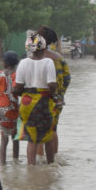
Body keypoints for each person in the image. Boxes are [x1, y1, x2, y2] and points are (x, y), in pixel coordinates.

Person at [13, 33, 57, 165]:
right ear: (44, 48)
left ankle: (31, 168)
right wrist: (53, 95)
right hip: (44, 102)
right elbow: (52, 85)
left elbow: (17, 88)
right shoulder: (49, 62)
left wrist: (25, 94)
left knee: (32, 138)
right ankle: (50, 166)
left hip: (27, 103)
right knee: (48, 136)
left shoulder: (23, 63)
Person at [37, 25, 71, 155]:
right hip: (56, 100)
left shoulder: (34, 57)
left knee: (39, 131)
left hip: (37, 99)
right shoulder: (59, 58)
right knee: (53, 129)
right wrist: (59, 95)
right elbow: (67, 78)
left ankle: (39, 163)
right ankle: (53, 161)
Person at [0, 50, 20, 164]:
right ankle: (15, 161)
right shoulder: (17, 75)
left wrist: (1, 100)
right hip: (13, 109)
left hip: (0, 109)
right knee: (15, 137)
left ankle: (2, 164)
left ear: (6, 62)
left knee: (4, 138)